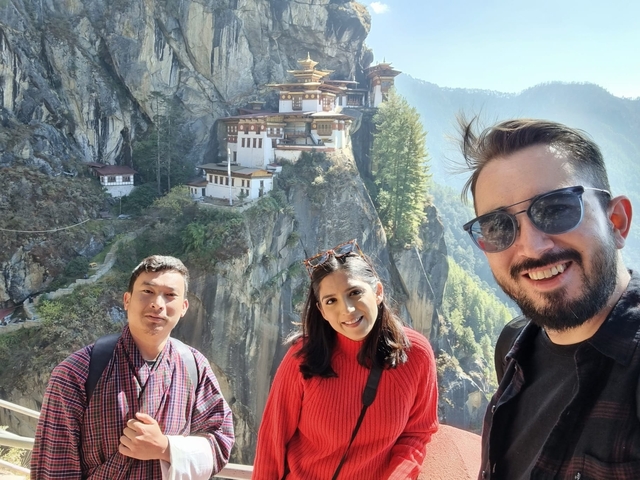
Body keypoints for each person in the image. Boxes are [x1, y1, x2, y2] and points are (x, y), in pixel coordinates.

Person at [458, 118, 640, 479]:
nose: (532, 247)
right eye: (498, 227)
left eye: (557, 208)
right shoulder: (514, 345)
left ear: (616, 221)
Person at [31, 255, 235, 479]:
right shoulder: (77, 372)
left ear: (184, 307)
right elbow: (54, 467)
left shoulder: (194, 366)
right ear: (127, 300)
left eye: (170, 295)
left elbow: (221, 440)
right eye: (147, 291)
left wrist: (166, 448)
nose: (158, 303)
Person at [252, 239, 439, 479]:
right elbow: (273, 439)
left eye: (355, 293)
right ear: (322, 310)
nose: (348, 310)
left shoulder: (415, 354)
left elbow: (417, 432)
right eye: (331, 301)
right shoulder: (303, 357)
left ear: (378, 292)